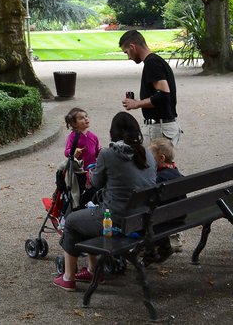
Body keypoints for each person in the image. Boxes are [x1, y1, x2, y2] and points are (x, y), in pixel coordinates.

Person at [54, 111, 157, 291]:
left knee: (72, 220)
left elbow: (96, 182)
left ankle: (69, 277)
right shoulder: (147, 153)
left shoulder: (109, 154)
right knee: (87, 217)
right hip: (141, 217)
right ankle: (92, 269)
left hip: (115, 219)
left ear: (113, 132)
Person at [119, 29, 180, 146]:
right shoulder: (155, 61)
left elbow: (163, 96)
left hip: (159, 128)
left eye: (126, 52)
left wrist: (137, 103)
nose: (128, 57)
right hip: (163, 126)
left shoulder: (152, 63)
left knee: (153, 164)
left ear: (133, 46)